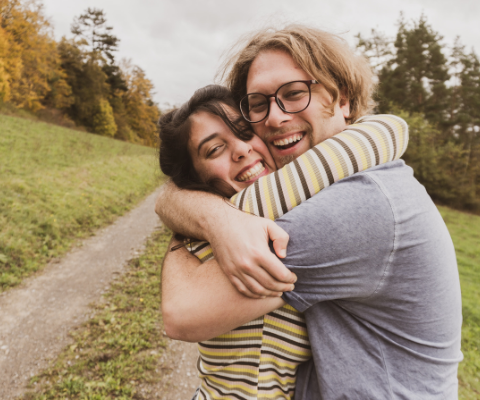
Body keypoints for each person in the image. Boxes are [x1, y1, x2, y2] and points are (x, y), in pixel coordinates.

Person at [158, 25, 463, 399]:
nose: (274, 117)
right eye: (259, 103)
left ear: (343, 101)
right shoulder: (321, 188)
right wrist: (204, 213)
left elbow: (184, 310)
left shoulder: (358, 206)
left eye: (294, 94)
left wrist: (196, 214)